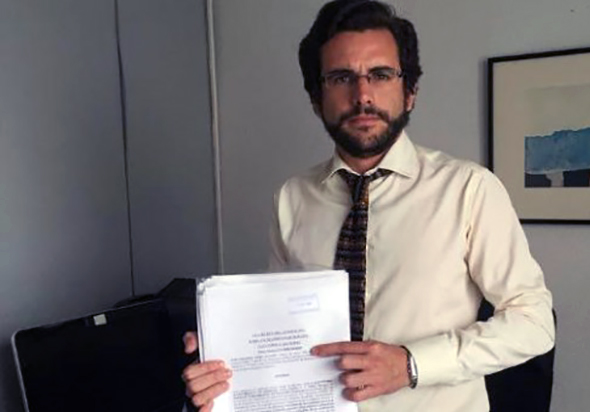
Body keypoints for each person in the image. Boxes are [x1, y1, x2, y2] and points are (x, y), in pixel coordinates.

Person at [182, 1, 555, 411]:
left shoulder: (469, 189)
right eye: (341, 77)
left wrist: (411, 364)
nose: (362, 95)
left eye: (380, 75)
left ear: (410, 92)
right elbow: (285, 322)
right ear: (316, 99)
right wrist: (227, 347)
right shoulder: (291, 197)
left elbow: (534, 323)